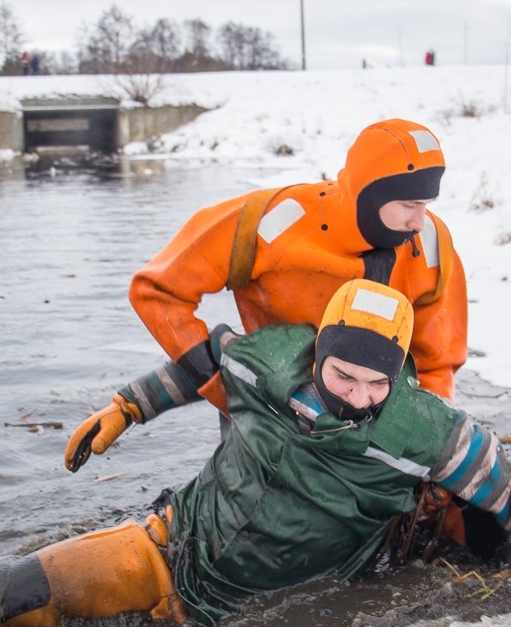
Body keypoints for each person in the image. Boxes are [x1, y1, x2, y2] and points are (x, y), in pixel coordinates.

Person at [0, 280, 511, 627]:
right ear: (317, 351)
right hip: (175, 546)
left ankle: (429, 521)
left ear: (398, 378)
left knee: (487, 526)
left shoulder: (425, 428)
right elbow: (202, 358)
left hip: (287, 584)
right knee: (6, 599)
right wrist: (127, 407)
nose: (356, 394)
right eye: (341, 375)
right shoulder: (268, 357)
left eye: (374, 383)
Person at [63, 119, 468, 473]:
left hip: (372, 412)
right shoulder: (266, 223)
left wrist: (424, 448)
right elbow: (157, 290)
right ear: (369, 192)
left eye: (427, 204)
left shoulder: (430, 246)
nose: (420, 220)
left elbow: (437, 363)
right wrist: (221, 389)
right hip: (265, 405)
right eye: (409, 204)